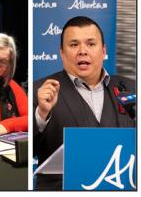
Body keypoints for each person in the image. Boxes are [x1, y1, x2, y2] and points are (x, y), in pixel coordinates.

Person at [33, 16, 136, 167]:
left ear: (103, 50)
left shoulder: (131, 88)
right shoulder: (40, 91)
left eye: (91, 44)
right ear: (62, 53)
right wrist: (41, 115)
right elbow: (27, 151)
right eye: (74, 45)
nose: (82, 51)